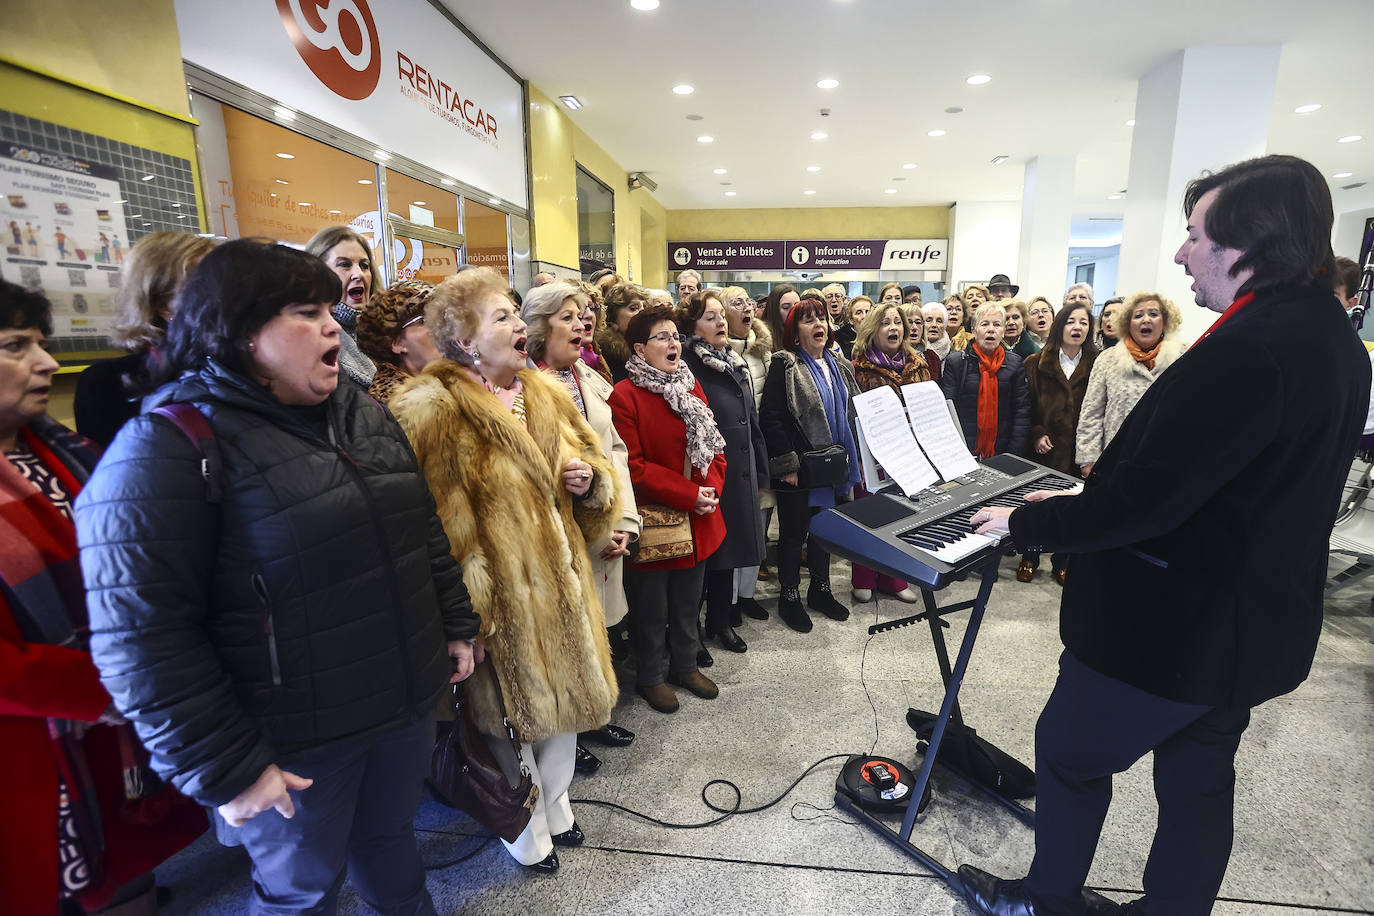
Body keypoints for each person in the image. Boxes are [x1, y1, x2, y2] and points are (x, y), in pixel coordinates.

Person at [958, 154, 1370, 916]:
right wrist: (1087, 489)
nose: (1180, 253)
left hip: (1172, 630)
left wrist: (1027, 519)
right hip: (1250, 623)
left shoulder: (1252, 348)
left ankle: (1044, 902)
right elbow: (1224, 478)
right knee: (1198, 779)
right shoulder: (1332, 337)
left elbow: (1147, 503)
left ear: (1248, 242)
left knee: (1072, 756)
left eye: (1193, 235)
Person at [75, 241, 479, 912]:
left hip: (400, 704)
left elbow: (420, 532)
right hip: (290, 741)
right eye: (304, 311)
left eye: (329, 308)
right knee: (302, 891)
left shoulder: (365, 413)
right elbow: (141, 638)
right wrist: (227, 770)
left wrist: (456, 622)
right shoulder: (168, 445)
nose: (331, 325)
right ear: (238, 332)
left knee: (391, 849)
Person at [388, 266, 618, 874]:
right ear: (464, 339)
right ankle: (525, 826)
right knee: (507, 724)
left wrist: (589, 482)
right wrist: (469, 618)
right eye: (502, 317)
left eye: (518, 314)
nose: (520, 326)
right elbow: (439, 527)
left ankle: (559, 801)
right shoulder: (429, 410)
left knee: (566, 709)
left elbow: (596, 466)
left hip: (565, 585)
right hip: (500, 601)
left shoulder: (545, 392)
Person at [2, 281, 205, 916]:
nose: (47, 363)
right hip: (35, 753)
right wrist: (121, 683)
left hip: (113, 731)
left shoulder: (65, 453)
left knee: (125, 874)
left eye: (40, 342)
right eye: (15, 346)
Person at [521, 281, 640, 773]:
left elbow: (616, 453)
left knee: (602, 630)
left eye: (586, 313)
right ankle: (573, 725)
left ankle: (594, 714)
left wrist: (624, 521)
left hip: (605, 525)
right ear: (538, 327)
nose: (583, 323)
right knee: (571, 635)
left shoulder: (588, 377)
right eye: (568, 317)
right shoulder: (524, 389)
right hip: (565, 536)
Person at [608, 305, 727, 712]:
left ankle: (685, 664)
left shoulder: (689, 385)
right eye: (662, 337)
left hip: (699, 516)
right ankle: (651, 675)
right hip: (658, 518)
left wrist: (711, 490)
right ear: (640, 349)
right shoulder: (625, 395)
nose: (673, 342)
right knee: (651, 604)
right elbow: (633, 465)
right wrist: (687, 494)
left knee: (688, 600)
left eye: (675, 335)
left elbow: (713, 446)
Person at [760, 294, 860, 633]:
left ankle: (820, 589)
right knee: (793, 534)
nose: (818, 324)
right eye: (808, 319)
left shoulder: (838, 363)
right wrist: (786, 464)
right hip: (801, 468)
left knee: (824, 532)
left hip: (833, 466)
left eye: (821, 318)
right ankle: (789, 596)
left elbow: (851, 412)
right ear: (795, 330)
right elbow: (771, 417)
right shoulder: (785, 363)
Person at [679, 291, 769, 652]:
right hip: (708, 472)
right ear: (693, 327)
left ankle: (720, 620)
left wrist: (761, 470)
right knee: (705, 555)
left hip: (738, 468)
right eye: (710, 317)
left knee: (729, 551)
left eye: (720, 315)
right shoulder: (687, 364)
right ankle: (694, 631)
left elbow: (752, 421)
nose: (719, 322)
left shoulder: (732, 360)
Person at [74, 231, 216, 447]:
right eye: (201, 287)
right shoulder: (104, 383)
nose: (220, 298)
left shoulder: (245, 367)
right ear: (159, 303)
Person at [849, 302, 929, 604]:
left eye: (898, 322)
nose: (893, 328)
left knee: (901, 515)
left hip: (908, 453)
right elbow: (851, 415)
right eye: (885, 323)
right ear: (872, 329)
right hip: (870, 454)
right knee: (869, 516)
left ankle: (895, 579)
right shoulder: (857, 367)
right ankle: (864, 578)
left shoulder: (918, 364)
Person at [1016, 300, 1097, 585]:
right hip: (1043, 451)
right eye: (1071, 321)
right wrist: (1037, 432)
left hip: (1079, 451)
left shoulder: (1097, 364)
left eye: (1084, 322)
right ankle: (1030, 556)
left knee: (1072, 506)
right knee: (1034, 503)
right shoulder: (1035, 363)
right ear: (1059, 326)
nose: (1077, 327)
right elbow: (1026, 406)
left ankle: (1063, 559)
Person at [1075, 291, 1186, 476]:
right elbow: (1091, 413)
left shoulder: (1183, 356)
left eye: (1153, 314)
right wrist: (1088, 459)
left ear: (1165, 320)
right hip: (1117, 461)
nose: (1145, 320)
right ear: (1127, 322)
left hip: (1168, 462)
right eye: (1138, 315)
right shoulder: (1108, 359)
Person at [723, 285, 777, 602]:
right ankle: (728, 602)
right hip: (733, 457)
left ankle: (747, 596)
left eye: (748, 302)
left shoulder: (763, 354)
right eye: (736, 302)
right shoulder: (716, 356)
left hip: (760, 451)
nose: (746, 307)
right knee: (734, 530)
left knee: (758, 526)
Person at [939, 302, 1031, 458]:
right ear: (974, 330)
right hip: (962, 449)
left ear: (1003, 332)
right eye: (984, 324)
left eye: (997, 325)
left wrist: (1012, 454)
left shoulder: (1015, 364)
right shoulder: (956, 362)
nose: (991, 329)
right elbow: (947, 411)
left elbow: (1021, 413)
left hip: (1003, 450)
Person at [304, 226, 382, 390]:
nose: (358, 274)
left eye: (364, 265)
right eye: (345, 264)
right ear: (318, 273)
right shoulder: (310, 343)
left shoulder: (388, 334)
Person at [356, 279, 441, 404]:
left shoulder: (442, 387)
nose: (440, 328)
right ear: (397, 343)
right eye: (424, 320)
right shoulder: (401, 405)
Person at [596, 282, 648, 382]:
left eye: (644, 307)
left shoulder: (652, 347)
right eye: (634, 308)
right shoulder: (606, 356)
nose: (643, 312)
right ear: (613, 321)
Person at [576, 281, 614, 383]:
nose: (589, 314)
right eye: (580, 308)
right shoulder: (561, 366)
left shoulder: (596, 354)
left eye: (592, 308)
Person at [761, 284, 800, 353]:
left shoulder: (804, 333)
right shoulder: (763, 339)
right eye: (786, 307)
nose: (793, 311)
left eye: (797, 306)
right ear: (774, 310)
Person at [921, 302, 952, 379]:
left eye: (939, 321)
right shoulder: (913, 352)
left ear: (944, 326)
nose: (934, 325)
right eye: (929, 320)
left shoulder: (953, 353)